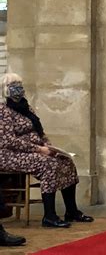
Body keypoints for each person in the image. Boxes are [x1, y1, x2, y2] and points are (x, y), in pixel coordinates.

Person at [0, 73, 93, 228]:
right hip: (9, 154)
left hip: (34, 150)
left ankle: (71, 211)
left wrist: (50, 146)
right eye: (13, 85)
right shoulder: (3, 111)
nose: (18, 88)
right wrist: (39, 149)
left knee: (66, 161)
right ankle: (49, 216)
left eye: (19, 84)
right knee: (48, 164)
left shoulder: (26, 107)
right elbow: (8, 141)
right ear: (5, 89)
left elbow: (39, 131)